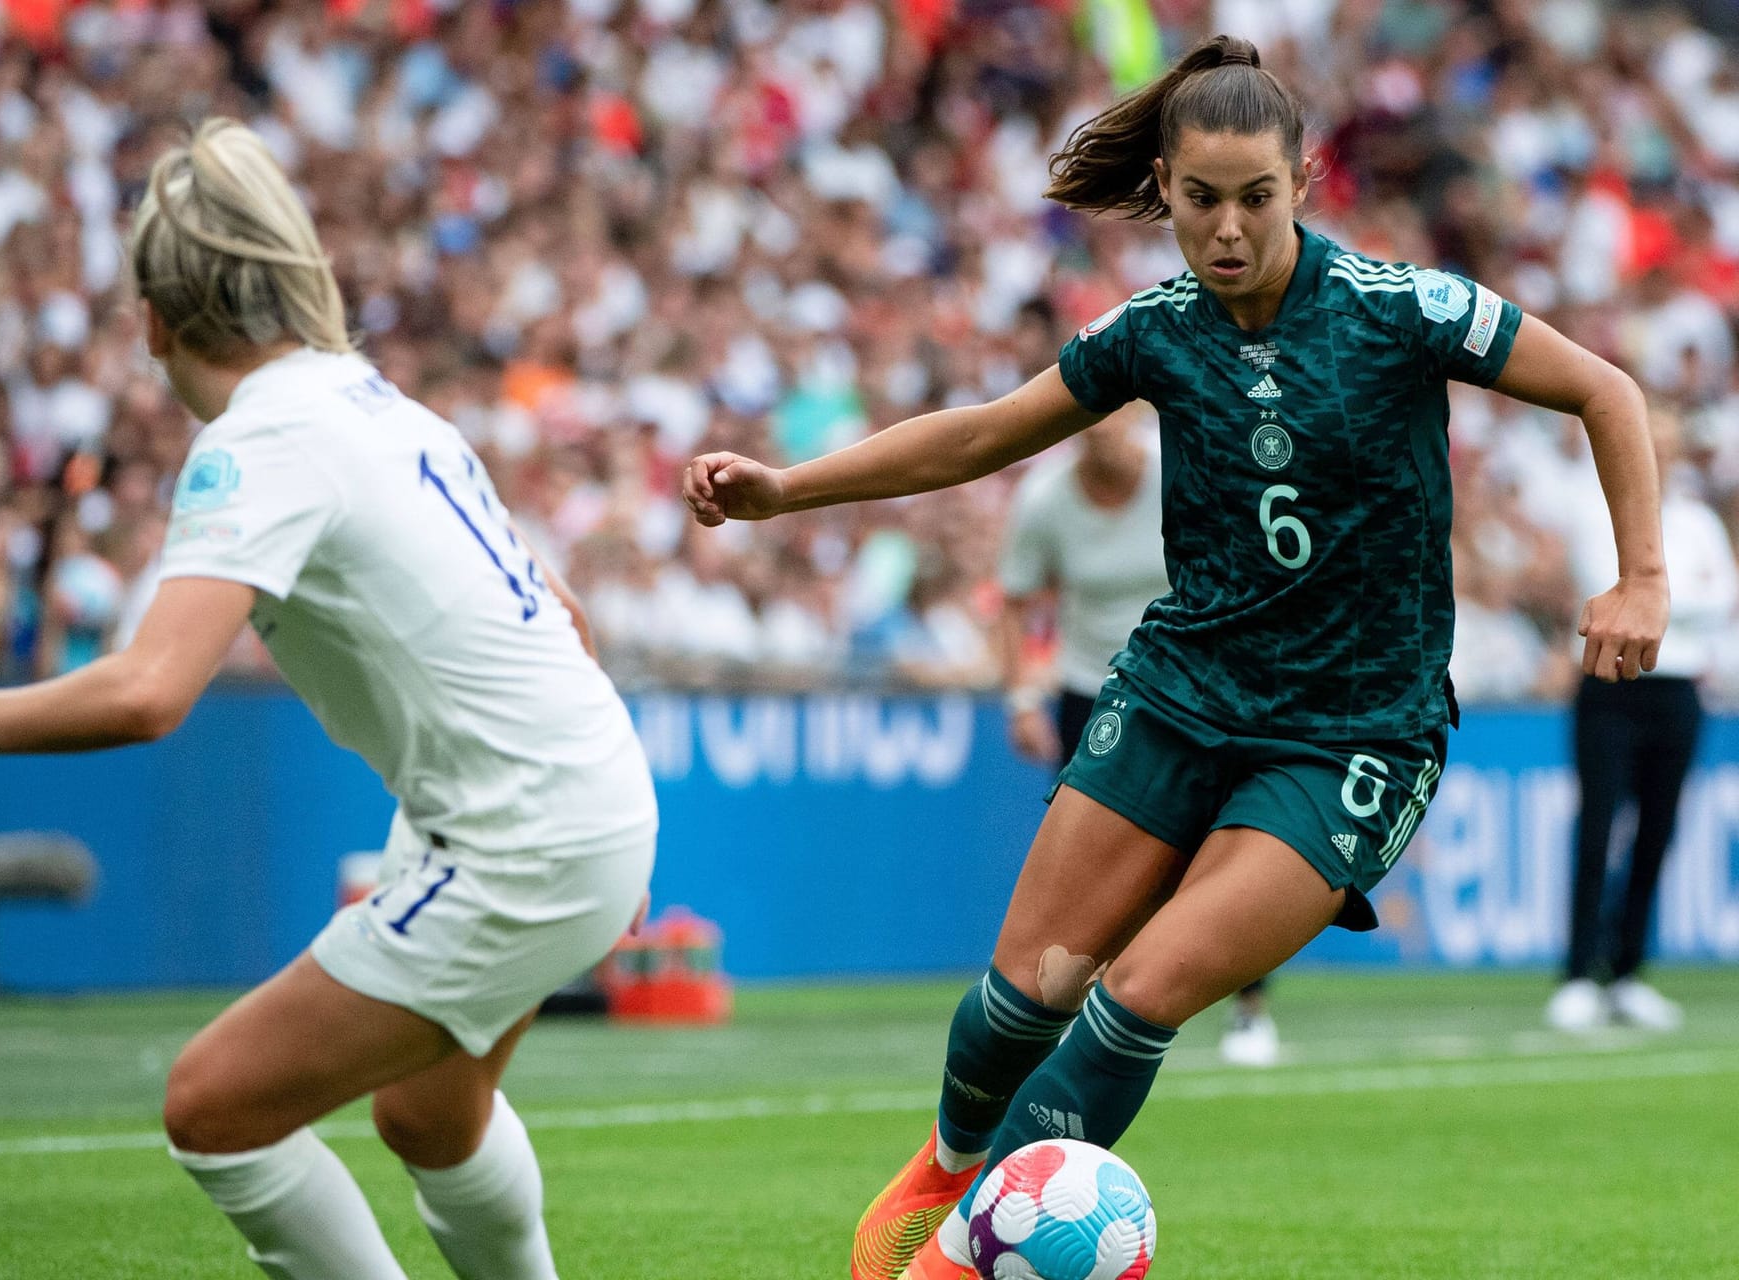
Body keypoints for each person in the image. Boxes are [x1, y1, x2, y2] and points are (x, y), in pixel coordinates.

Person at [681, 36, 1666, 1280]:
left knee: (1138, 989)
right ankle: (947, 1163)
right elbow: (982, 433)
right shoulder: (1154, 332)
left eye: (1258, 196)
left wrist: (1641, 574)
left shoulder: (1402, 311)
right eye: (1202, 200)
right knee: (1019, 994)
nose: (1230, 228)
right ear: (1165, 188)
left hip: (1353, 735)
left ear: (1303, 179)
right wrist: (785, 490)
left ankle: (955, 1266)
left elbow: (1608, 391)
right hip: (1179, 691)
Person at [0, 119, 656, 1280]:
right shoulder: (380, 404)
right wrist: (590, 810)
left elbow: (151, 691)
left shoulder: (259, 441)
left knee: (213, 1105)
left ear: (155, 318)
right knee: (430, 1118)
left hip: (529, 834)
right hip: (588, 795)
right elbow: (562, 611)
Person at [999, 406, 1284, 1068]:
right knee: (1083, 865)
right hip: (1090, 693)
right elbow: (1015, 598)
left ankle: (1250, 1008)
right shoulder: (1043, 499)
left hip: (1195, 688)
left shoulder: (1184, 470)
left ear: (1135, 412)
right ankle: (1068, 1010)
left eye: (1110, 413)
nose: (1098, 428)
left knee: (1227, 848)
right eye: (1085, 417)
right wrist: (1021, 696)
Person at [1547, 405, 1736, 1034]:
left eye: (1669, 442)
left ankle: (1627, 972)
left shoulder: (1696, 520)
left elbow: (1720, 601)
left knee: (1658, 830)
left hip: (1678, 688)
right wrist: (1667, 599)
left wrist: (1656, 601)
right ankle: (1578, 974)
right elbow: (1604, 592)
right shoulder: (1596, 507)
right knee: (1598, 827)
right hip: (1610, 682)